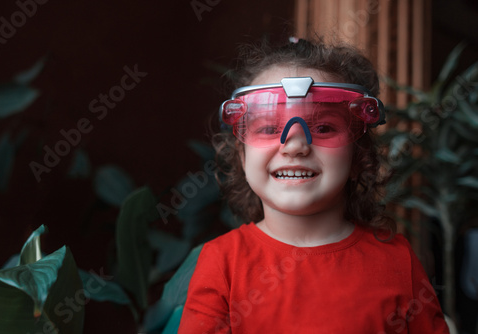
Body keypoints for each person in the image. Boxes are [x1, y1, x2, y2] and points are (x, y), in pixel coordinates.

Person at [178, 37, 449, 333]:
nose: (295, 146)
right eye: (269, 128)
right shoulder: (221, 263)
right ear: (242, 157)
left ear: (358, 155)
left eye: (323, 128)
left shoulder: (398, 262)